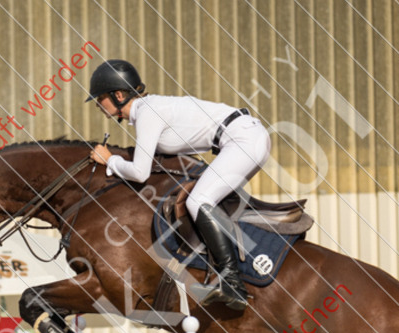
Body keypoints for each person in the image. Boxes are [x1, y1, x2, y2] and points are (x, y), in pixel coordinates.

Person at [86, 59, 272, 310]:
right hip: (245, 137)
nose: (98, 105)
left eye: (100, 98)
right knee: (210, 202)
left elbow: (140, 173)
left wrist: (111, 160)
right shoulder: (149, 110)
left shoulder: (148, 113)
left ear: (118, 95)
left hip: (242, 139)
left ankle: (232, 282)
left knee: (198, 201)